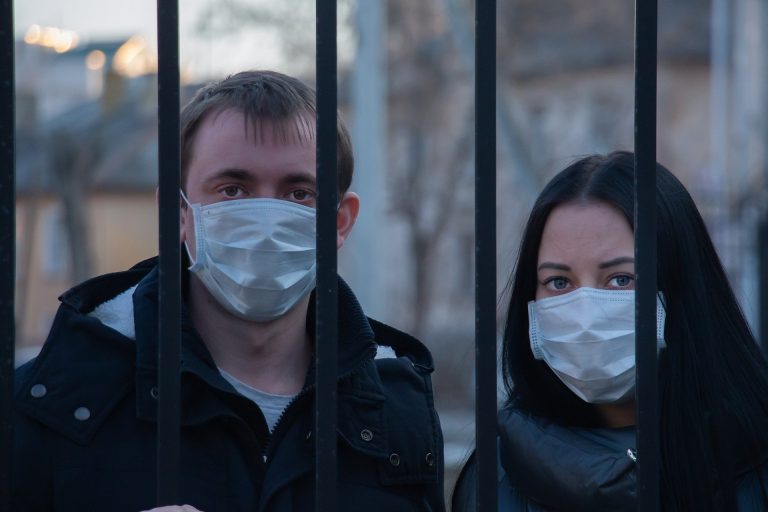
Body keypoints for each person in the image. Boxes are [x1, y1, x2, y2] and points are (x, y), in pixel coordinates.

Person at [13, 71, 445, 512]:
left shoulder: (398, 408)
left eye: (299, 194)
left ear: (340, 221)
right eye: (233, 189)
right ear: (178, 213)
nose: (264, 220)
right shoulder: (57, 401)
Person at [453, 151, 768, 511]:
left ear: (682, 286)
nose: (585, 312)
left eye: (621, 279)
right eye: (558, 282)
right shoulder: (497, 479)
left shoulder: (753, 467)